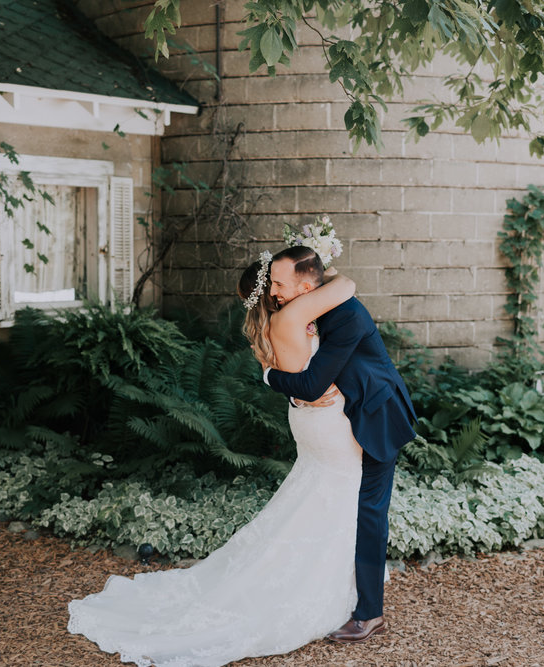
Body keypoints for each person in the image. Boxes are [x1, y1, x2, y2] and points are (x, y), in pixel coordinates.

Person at [67, 250, 361, 666]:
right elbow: (345, 286)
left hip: (311, 424)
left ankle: (333, 579)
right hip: (326, 422)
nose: (281, 288)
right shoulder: (291, 318)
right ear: (275, 291)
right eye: (275, 282)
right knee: (335, 495)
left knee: (316, 498)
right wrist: (318, 256)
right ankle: (323, 588)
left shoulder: (274, 324)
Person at [262, 245, 417, 644]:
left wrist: (266, 377)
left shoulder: (345, 315)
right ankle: (345, 595)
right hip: (350, 417)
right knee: (350, 510)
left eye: (279, 283)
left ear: (307, 285)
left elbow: (313, 384)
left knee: (369, 513)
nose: (273, 290)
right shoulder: (314, 310)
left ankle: (370, 615)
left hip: (379, 417)